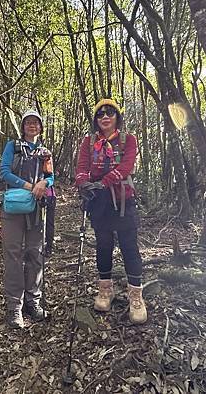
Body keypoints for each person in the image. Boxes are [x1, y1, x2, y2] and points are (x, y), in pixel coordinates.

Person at [75, 99, 147, 324]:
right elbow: (81, 167)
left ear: (117, 116)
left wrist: (104, 182)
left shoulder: (128, 140)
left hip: (123, 199)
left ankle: (136, 296)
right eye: (100, 114)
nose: (105, 117)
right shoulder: (89, 142)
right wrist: (84, 184)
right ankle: (105, 289)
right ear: (95, 120)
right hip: (98, 202)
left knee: (129, 246)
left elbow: (127, 166)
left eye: (110, 113)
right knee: (103, 245)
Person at [0, 110, 54, 329]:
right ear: (23, 127)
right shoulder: (12, 146)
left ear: (40, 127)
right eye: (28, 122)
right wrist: (29, 186)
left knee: (35, 253)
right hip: (13, 207)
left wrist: (45, 184)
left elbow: (51, 177)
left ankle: (34, 302)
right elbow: (4, 172)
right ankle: (14, 307)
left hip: (35, 210)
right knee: (13, 254)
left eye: (36, 123)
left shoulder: (44, 152)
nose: (32, 126)